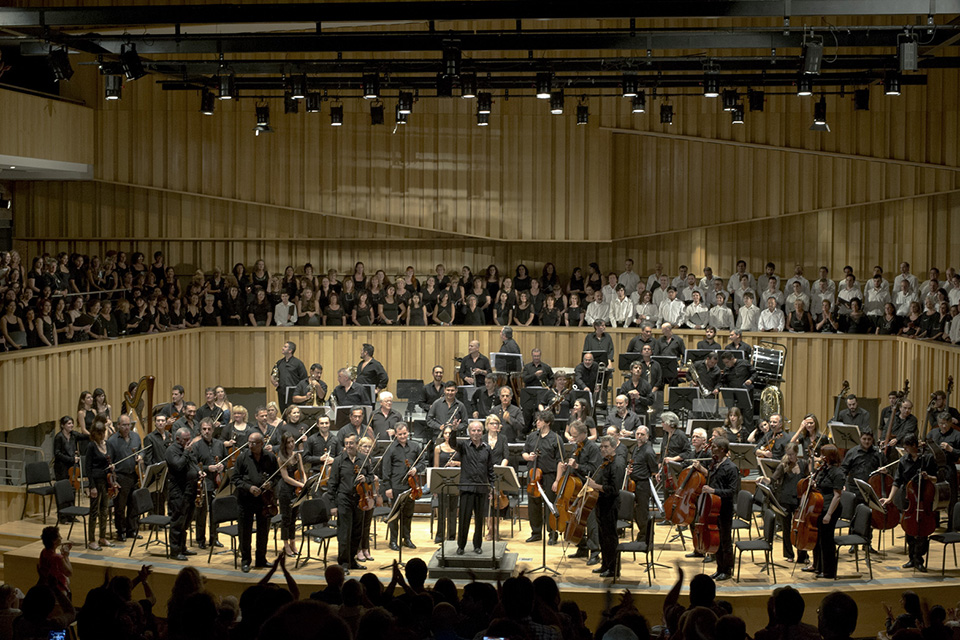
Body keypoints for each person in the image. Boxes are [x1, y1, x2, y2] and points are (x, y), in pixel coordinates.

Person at [882, 434, 937, 572]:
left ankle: (919, 559)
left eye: (906, 447)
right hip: (909, 498)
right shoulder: (903, 460)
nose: (905, 450)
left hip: (925, 498)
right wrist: (890, 498)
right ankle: (912, 558)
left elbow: (936, 478)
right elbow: (897, 481)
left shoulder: (928, 458)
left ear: (914, 446)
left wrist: (927, 477)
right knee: (909, 527)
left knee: (922, 530)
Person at [691, 437, 739, 580]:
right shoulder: (714, 465)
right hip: (713, 508)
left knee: (725, 540)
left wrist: (713, 491)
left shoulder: (731, 468)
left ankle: (727, 570)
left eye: (715, 447)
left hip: (724, 509)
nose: (712, 449)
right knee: (716, 540)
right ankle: (719, 568)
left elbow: (732, 491)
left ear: (723, 450)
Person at [558, 420, 602, 566]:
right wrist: (568, 466)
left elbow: (594, 469)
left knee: (590, 520)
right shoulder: (576, 446)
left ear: (584, 434)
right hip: (576, 487)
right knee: (578, 519)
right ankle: (582, 547)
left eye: (575, 435)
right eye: (571, 435)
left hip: (588, 488)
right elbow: (573, 463)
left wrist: (577, 466)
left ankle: (595, 552)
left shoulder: (593, 449)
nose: (572, 438)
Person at [233, 431, 279, 572]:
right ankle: (246, 561)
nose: (250, 445)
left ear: (261, 444)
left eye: (254, 443)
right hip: (245, 500)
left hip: (264, 501)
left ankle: (261, 559)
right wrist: (249, 487)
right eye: (249, 442)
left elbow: (277, 476)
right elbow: (235, 478)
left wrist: (270, 483)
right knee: (245, 531)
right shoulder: (242, 457)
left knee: (263, 531)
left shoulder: (270, 457)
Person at [796, 444, 844, 579]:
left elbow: (837, 495)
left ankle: (828, 572)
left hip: (830, 509)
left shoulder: (837, 473)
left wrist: (829, 514)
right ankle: (817, 566)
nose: (821, 457)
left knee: (827, 541)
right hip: (819, 507)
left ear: (831, 456)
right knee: (818, 539)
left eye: (824, 455)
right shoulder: (823, 469)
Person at [761, 442, 809, 564]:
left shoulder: (803, 464)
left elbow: (807, 480)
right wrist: (762, 479)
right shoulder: (783, 466)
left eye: (792, 454)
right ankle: (789, 554)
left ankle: (802, 555)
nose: (790, 457)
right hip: (785, 500)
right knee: (786, 528)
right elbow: (772, 480)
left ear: (797, 453)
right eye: (788, 454)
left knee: (799, 528)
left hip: (799, 500)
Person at [327, 433, 369, 572]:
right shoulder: (338, 461)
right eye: (347, 443)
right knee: (344, 533)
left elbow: (371, 475)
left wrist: (366, 479)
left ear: (357, 444)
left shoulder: (363, 459)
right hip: (344, 499)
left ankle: (352, 561)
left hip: (359, 499)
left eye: (351, 443)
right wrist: (332, 505)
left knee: (357, 532)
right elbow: (332, 484)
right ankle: (343, 563)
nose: (349, 446)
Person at [522, 411, 564, 545]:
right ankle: (536, 533)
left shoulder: (556, 438)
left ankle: (552, 533)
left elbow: (560, 462)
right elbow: (524, 452)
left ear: (548, 422)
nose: (537, 422)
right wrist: (528, 457)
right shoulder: (532, 436)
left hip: (549, 475)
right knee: (533, 504)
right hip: (533, 475)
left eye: (540, 420)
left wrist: (557, 481)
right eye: (537, 420)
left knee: (550, 505)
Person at [383, 423, 426, 550]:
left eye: (405, 433)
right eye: (400, 434)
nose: (402, 436)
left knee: (408, 514)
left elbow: (422, 462)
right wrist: (387, 487)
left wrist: (416, 469)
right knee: (395, 515)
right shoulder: (390, 448)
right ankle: (393, 541)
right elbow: (386, 469)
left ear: (408, 433)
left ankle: (406, 538)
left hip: (411, 486)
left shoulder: (415, 446)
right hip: (396, 485)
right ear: (395, 434)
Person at [455, 420, 495, 555]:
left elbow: (490, 469)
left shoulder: (487, 448)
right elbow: (452, 444)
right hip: (467, 488)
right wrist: (454, 430)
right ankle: (461, 546)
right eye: (473, 430)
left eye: (478, 430)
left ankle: (477, 545)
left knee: (479, 519)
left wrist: (492, 486)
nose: (476, 433)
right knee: (464, 519)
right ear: (469, 432)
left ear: (482, 432)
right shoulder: (464, 446)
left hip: (481, 488)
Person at [590, 435, 625, 578]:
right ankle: (605, 565)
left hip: (610, 504)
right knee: (603, 536)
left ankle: (613, 569)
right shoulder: (605, 462)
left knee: (610, 537)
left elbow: (613, 489)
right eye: (602, 447)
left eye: (606, 447)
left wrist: (595, 486)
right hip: (601, 503)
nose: (603, 449)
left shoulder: (617, 463)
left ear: (614, 447)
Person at [106, 413, 142, 543]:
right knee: (120, 507)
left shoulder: (136, 437)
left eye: (129, 425)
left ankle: (131, 530)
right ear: (118, 426)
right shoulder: (112, 441)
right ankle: (120, 531)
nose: (127, 427)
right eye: (124, 425)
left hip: (134, 475)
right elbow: (109, 460)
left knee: (133, 505)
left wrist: (140, 456)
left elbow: (141, 450)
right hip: (121, 477)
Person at [191, 418, 226, 550]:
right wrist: (207, 468)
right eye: (204, 429)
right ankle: (200, 539)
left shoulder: (219, 444)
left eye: (209, 429)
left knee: (215, 512)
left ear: (213, 430)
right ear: (200, 431)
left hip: (217, 483)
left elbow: (225, 460)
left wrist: (222, 466)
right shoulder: (196, 446)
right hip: (203, 483)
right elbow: (193, 465)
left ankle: (214, 538)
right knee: (201, 513)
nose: (206, 431)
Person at [166, 426, 199, 561]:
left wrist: (199, 471)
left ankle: (182, 548)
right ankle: (175, 551)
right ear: (178, 439)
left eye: (189, 439)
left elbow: (193, 464)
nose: (188, 441)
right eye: (185, 439)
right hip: (177, 492)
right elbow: (178, 466)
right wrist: (186, 452)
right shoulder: (171, 450)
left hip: (189, 491)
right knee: (177, 522)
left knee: (186, 522)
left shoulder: (187, 449)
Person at [927, 411, 960, 529]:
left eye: (946, 423)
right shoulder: (933, 433)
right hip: (934, 468)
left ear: (951, 423)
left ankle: (952, 525)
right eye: (941, 423)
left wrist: (951, 449)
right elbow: (926, 448)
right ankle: (934, 523)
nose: (944, 426)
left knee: (951, 497)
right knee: (934, 495)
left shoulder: (957, 435)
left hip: (948, 468)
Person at [84, 418, 113, 551]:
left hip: (106, 482)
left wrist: (111, 467)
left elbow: (108, 462)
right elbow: (88, 467)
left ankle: (102, 537)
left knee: (104, 510)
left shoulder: (107, 445)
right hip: (96, 482)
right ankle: (91, 540)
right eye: (99, 433)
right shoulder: (91, 446)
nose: (101, 435)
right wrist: (92, 486)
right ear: (94, 433)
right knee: (94, 511)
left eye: (103, 433)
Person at [277, 433, 306, 558]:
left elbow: (302, 471)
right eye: (288, 442)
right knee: (286, 519)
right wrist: (299, 484)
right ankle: (286, 545)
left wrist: (305, 482)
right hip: (286, 491)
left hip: (297, 490)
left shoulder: (297, 455)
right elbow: (286, 477)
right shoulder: (281, 458)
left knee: (294, 518)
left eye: (293, 441)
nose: (291, 444)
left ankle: (293, 543)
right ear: (284, 444)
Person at [629, 425, 658, 545]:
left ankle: (646, 537)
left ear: (647, 436)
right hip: (634, 485)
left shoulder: (648, 451)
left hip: (643, 485)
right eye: (637, 434)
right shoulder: (636, 448)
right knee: (636, 512)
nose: (639, 436)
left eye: (642, 434)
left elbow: (654, 470)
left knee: (642, 513)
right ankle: (643, 534)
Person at [433, 425, 460, 544]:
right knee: (442, 509)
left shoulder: (458, 448)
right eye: (445, 433)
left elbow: (464, 463)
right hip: (442, 483)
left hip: (455, 482)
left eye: (450, 433)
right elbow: (436, 467)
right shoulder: (438, 448)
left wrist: (456, 463)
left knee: (453, 510)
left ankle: (452, 535)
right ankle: (440, 535)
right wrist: (434, 486)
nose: (448, 435)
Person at [271, 340, 308, 412]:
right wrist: (273, 381)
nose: (282, 348)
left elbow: (304, 379)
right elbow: (273, 374)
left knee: (293, 411)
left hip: (293, 392)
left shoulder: (298, 363)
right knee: (283, 411)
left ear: (290, 350)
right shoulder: (279, 362)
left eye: (285, 347)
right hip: (281, 391)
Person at [38, 525, 73, 597]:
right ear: (54, 541)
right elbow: (69, 572)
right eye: (59, 536)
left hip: (44, 586)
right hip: (58, 590)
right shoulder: (57, 558)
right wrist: (66, 556)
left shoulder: (43, 552)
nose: (61, 538)